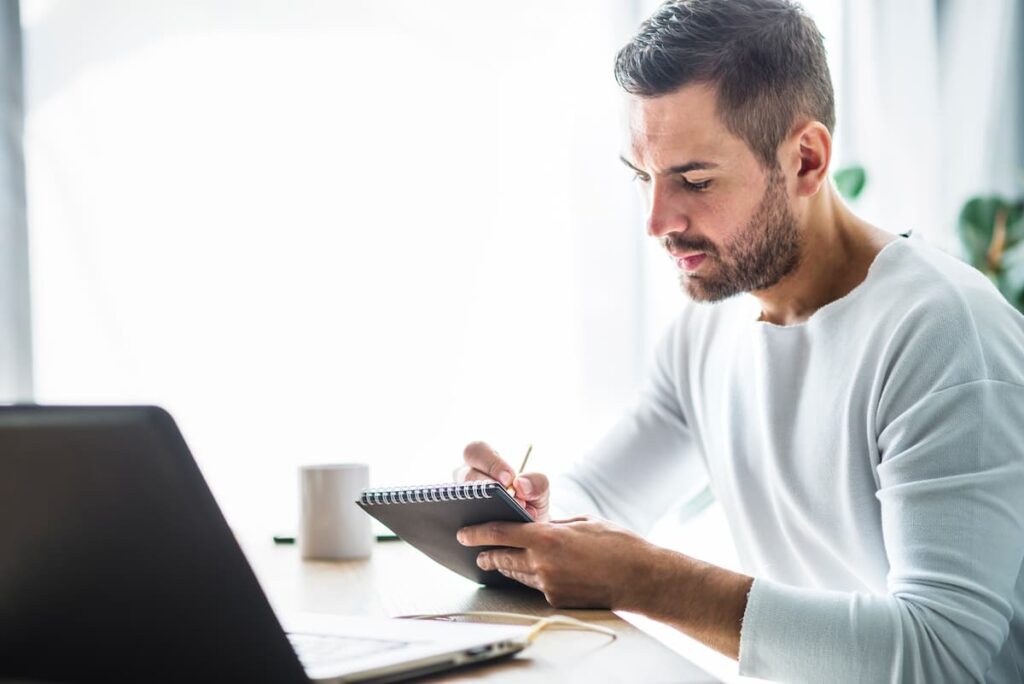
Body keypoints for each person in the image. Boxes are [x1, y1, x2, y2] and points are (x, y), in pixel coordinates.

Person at [452, 0, 1024, 682]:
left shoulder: (944, 335)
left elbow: (943, 657)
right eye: (643, 176)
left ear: (806, 160)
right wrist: (519, 514)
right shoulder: (710, 326)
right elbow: (599, 494)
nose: (657, 222)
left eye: (694, 180)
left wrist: (651, 580)